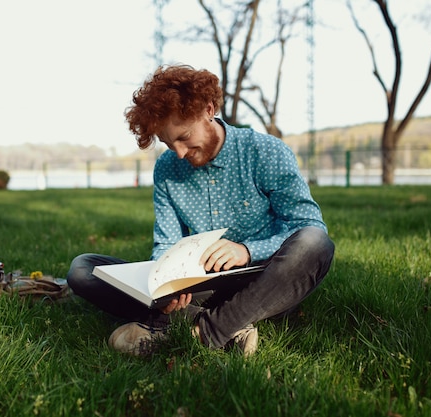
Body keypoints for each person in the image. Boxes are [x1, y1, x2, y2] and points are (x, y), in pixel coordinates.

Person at [67, 64, 335, 356]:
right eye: (169, 144)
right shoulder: (167, 169)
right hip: (201, 282)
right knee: (84, 269)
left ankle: (201, 333)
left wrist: (246, 250)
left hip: (265, 277)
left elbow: (308, 224)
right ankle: (226, 325)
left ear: (208, 110)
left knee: (315, 243)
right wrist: (165, 283)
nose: (179, 153)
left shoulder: (265, 152)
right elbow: (166, 243)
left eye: (183, 137)